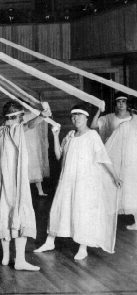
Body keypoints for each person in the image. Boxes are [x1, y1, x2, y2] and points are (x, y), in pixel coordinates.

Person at [34, 104, 122, 259]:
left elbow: (103, 158)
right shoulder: (69, 135)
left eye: (80, 115)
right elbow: (58, 156)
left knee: (83, 211)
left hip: (85, 181)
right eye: (73, 116)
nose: (76, 118)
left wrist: (115, 176)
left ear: (87, 118)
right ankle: (50, 241)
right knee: (60, 207)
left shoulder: (92, 136)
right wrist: (55, 136)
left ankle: (83, 247)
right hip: (67, 179)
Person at [0, 101, 51, 271]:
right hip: (16, 183)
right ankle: (19, 260)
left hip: (3, 184)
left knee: (5, 211)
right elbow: (29, 125)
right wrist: (42, 116)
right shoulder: (16, 129)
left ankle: (5, 257)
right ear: (17, 117)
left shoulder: (0, 131)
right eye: (21, 116)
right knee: (20, 212)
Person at [103, 103, 137, 229]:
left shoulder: (125, 126)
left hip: (130, 164)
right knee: (132, 191)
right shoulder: (125, 126)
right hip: (130, 164)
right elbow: (113, 145)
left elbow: (111, 145)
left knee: (133, 191)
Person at [23, 105, 50, 196]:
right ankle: (25, 193)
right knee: (25, 167)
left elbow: (44, 118)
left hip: (34, 144)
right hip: (24, 144)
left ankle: (40, 191)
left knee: (36, 166)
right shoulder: (20, 116)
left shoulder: (35, 113)